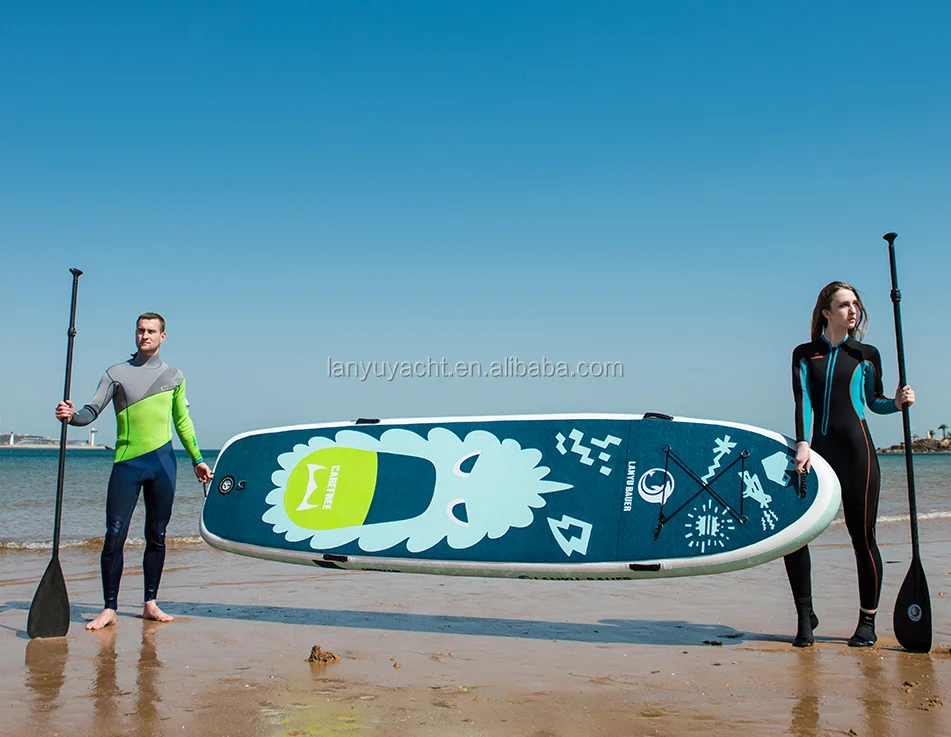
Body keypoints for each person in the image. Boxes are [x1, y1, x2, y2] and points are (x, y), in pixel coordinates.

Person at [54, 312, 213, 630]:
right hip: (127, 463)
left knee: (157, 535)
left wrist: (197, 458)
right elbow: (91, 410)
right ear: (135, 334)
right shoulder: (116, 374)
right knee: (114, 534)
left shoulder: (174, 376)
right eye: (141, 330)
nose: (145, 336)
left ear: (163, 336)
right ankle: (109, 607)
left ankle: (150, 603)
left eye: (152, 331)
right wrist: (71, 417)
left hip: (163, 465)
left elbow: (182, 421)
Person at [785, 282, 915, 648]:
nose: (853, 310)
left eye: (855, 304)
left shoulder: (866, 354)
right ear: (827, 312)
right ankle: (805, 618)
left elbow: (875, 402)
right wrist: (803, 444)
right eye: (844, 305)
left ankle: (867, 623)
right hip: (817, 452)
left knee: (863, 537)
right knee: (795, 535)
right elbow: (803, 401)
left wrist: (898, 403)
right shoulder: (804, 354)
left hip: (859, 454)